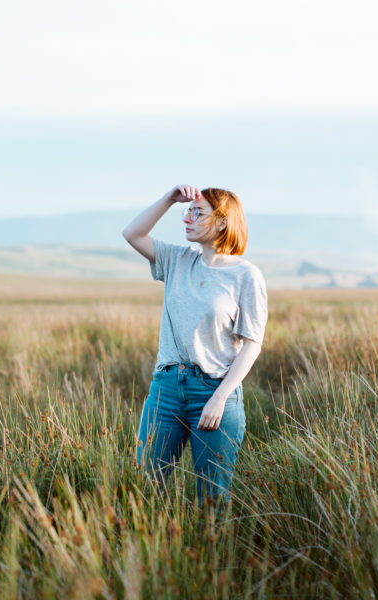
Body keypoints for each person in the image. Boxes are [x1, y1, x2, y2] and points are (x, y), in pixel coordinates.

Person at [122, 184, 268, 511]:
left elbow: (251, 344)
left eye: (197, 212)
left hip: (215, 391)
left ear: (221, 222)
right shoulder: (177, 260)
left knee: (212, 501)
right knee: (145, 490)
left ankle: (209, 560)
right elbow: (132, 233)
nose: (187, 217)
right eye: (187, 211)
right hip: (167, 389)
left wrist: (220, 398)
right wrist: (169, 199)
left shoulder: (246, 276)